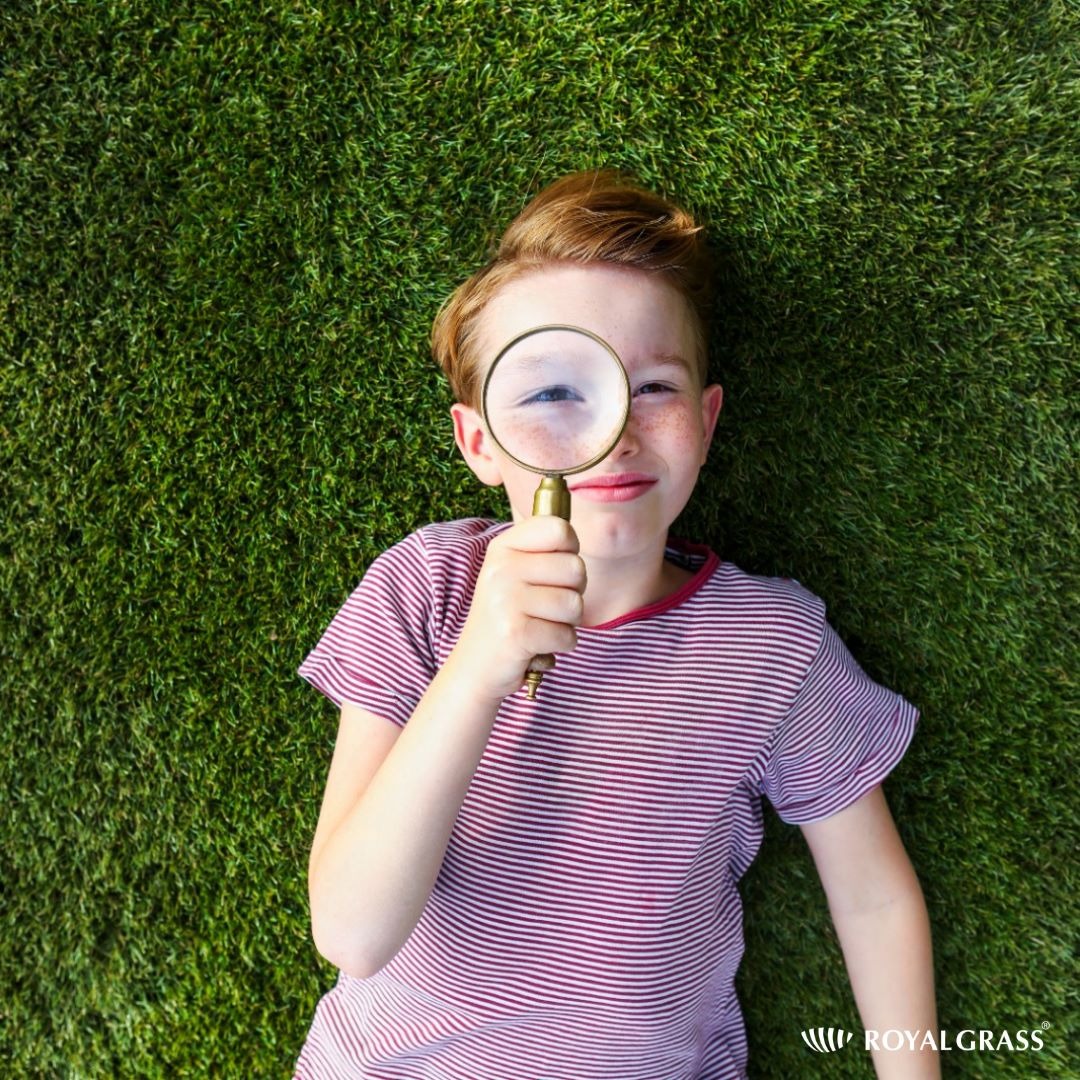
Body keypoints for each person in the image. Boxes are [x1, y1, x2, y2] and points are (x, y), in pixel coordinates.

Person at [292, 171, 940, 1079]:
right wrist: (478, 667)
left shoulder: (774, 645)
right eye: (555, 394)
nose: (615, 430)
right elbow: (352, 934)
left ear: (707, 423)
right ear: (480, 442)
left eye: (654, 387)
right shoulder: (428, 589)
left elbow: (872, 900)